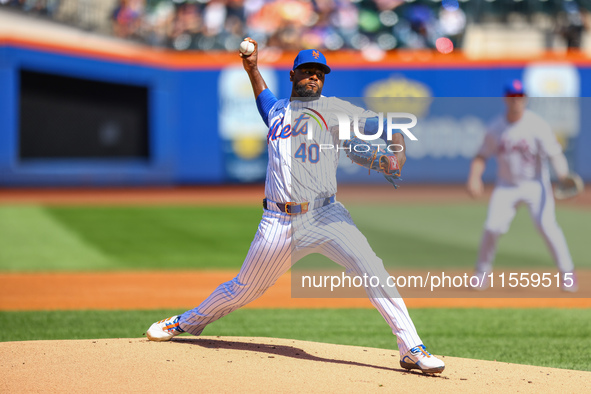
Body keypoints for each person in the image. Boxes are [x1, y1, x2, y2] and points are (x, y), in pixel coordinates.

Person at [146, 40, 445, 374]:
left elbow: (389, 126)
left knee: (372, 269)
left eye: (319, 73)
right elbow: (263, 97)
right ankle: (184, 322)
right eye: (307, 71)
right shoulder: (276, 112)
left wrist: (396, 151)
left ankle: (411, 348)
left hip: (326, 215)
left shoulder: (335, 110)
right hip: (278, 221)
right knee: (243, 289)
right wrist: (252, 68)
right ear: (293, 75)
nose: (313, 77)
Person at [466, 79, 578, 292]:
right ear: (505, 98)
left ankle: (568, 272)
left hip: (535, 185)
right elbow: (481, 156)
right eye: (512, 96)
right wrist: (474, 177)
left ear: (525, 98)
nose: (516, 100)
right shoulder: (495, 128)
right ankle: (481, 273)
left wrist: (563, 175)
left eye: (519, 96)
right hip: (506, 186)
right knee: (492, 227)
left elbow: (555, 155)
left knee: (547, 226)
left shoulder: (537, 125)